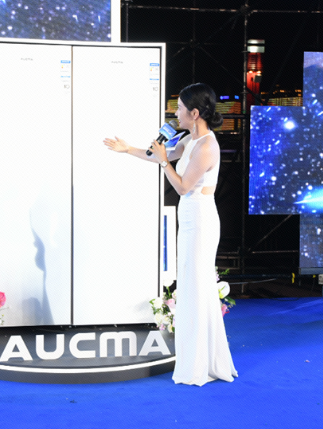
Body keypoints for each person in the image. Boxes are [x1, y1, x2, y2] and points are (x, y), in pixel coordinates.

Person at [103, 83, 237, 386]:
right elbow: (161, 155)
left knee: (197, 285)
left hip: (201, 219)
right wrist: (129, 149)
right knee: (191, 284)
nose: (175, 113)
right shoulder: (190, 139)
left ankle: (202, 362)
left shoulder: (207, 146)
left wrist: (164, 161)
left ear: (195, 113)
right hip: (189, 217)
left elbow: (183, 186)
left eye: (179, 108)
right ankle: (198, 356)